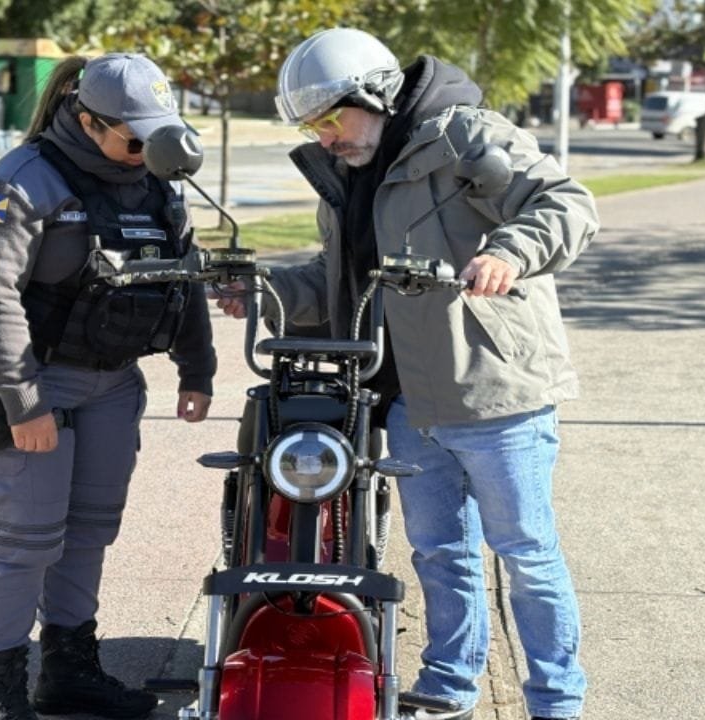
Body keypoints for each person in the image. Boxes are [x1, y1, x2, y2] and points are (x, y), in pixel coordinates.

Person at [214, 28, 597, 720]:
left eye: (332, 118)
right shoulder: (349, 176)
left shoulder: (466, 138)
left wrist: (511, 250)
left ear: (378, 94)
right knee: (439, 554)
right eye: (311, 126)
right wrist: (263, 290)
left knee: (526, 554)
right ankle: (449, 687)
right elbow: (340, 284)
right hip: (404, 400)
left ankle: (557, 702)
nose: (326, 137)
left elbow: (566, 203)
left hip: (494, 391)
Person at [0, 52, 216, 720]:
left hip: (115, 384)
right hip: (41, 380)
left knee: (88, 534)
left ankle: (69, 671)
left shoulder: (158, 184)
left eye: (156, 136)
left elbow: (182, 277)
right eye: (135, 138)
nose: (146, 151)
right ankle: (1, 689)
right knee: (24, 540)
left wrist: (198, 368)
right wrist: (24, 402)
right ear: (87, 119)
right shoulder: (21, 182)